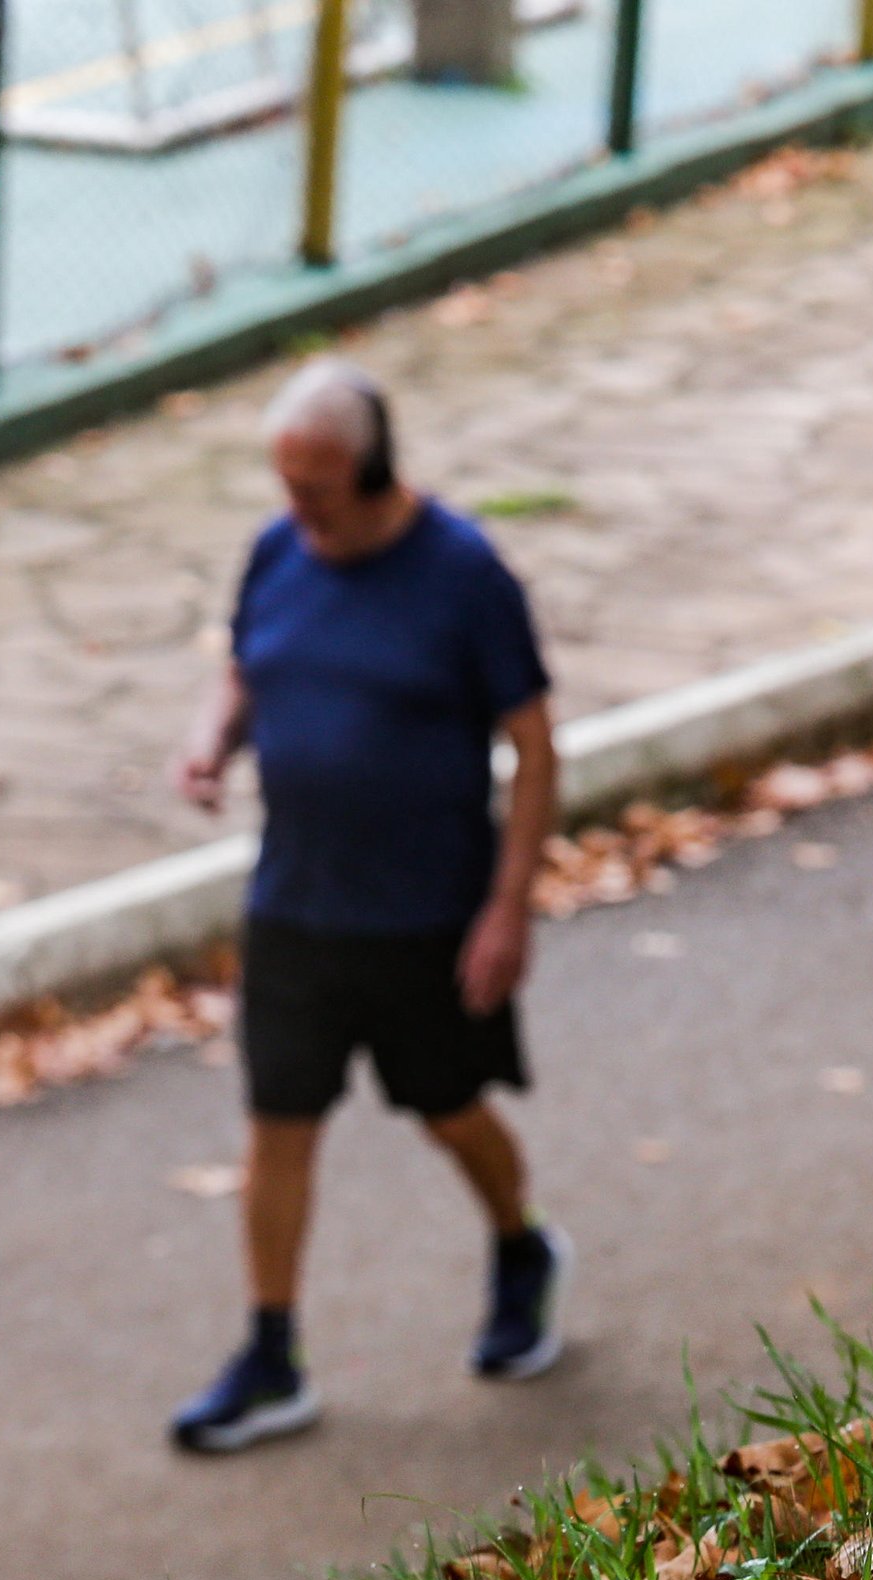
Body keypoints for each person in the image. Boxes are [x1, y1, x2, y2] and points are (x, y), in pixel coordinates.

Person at [167, 356, 568, 1453]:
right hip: (295, 904)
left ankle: (521, 1246)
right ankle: (270, 1353)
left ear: (375, 470)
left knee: (449, 1111)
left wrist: (508, 908)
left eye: (319, 488)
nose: (299, 510)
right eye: (285, 484)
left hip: (426, 916)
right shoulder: (275, 552)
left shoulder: (464, 575)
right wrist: (211, 742)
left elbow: (532, 746)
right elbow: (246, 669)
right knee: (277, 1131)